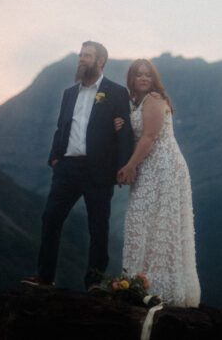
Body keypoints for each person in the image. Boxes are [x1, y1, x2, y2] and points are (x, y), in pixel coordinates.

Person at [24, 41, 133, 290]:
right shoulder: (69, 93)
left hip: (99, 170)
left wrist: (121, 166)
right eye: (81, 55)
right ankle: (45, 276)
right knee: (51, 217)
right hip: (67, 169)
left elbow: (124, 133)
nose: (82, 59)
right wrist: (55, 158)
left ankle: (94, 282)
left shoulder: (116, 93)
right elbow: (62, 128)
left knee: (98, 226)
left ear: (101, 61)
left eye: (87, 56)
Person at [116, 58, 201, 307]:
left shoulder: (153, 99)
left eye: (148, 75)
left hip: (164, 169)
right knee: (144, 223)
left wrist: (130, 165)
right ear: (131, 79)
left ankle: (161, 288)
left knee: (161, 226)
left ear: (154, 79)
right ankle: (140, 282)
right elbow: (136, 131)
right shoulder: (136, 103)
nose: (143, 78)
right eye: (138, 75)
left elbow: (150, 136)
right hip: (149, 168)